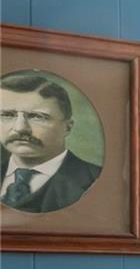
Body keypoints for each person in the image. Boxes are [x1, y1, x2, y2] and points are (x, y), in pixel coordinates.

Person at [1, 71, 101, 213]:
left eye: (37, 116)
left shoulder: (96, 180)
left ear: (67, 127)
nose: (20, 128)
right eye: (6, 115)